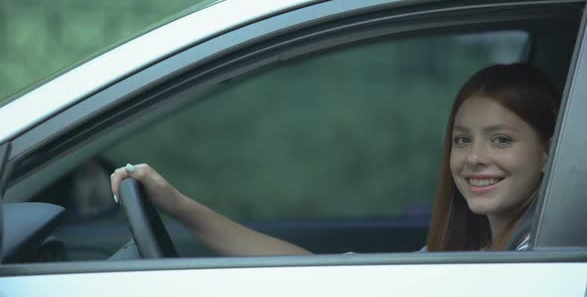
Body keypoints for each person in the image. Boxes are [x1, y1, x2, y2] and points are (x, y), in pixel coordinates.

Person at [110, 63, 560, 254]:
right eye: (462, 140)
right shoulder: (476, 253)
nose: (474, 158)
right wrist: (178, 206)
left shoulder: (537, 258)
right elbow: (309, 273)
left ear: (548, 153)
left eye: (501, 140)